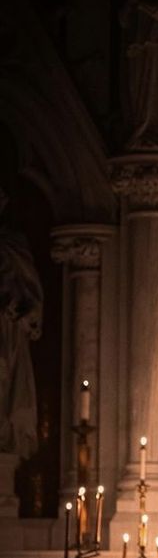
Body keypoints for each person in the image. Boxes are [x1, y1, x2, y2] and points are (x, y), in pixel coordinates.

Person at [0, 187, 42, 460]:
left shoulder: (13, 243)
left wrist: (22, 313)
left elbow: (32, 294)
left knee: (7, 383)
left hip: (8, 330)